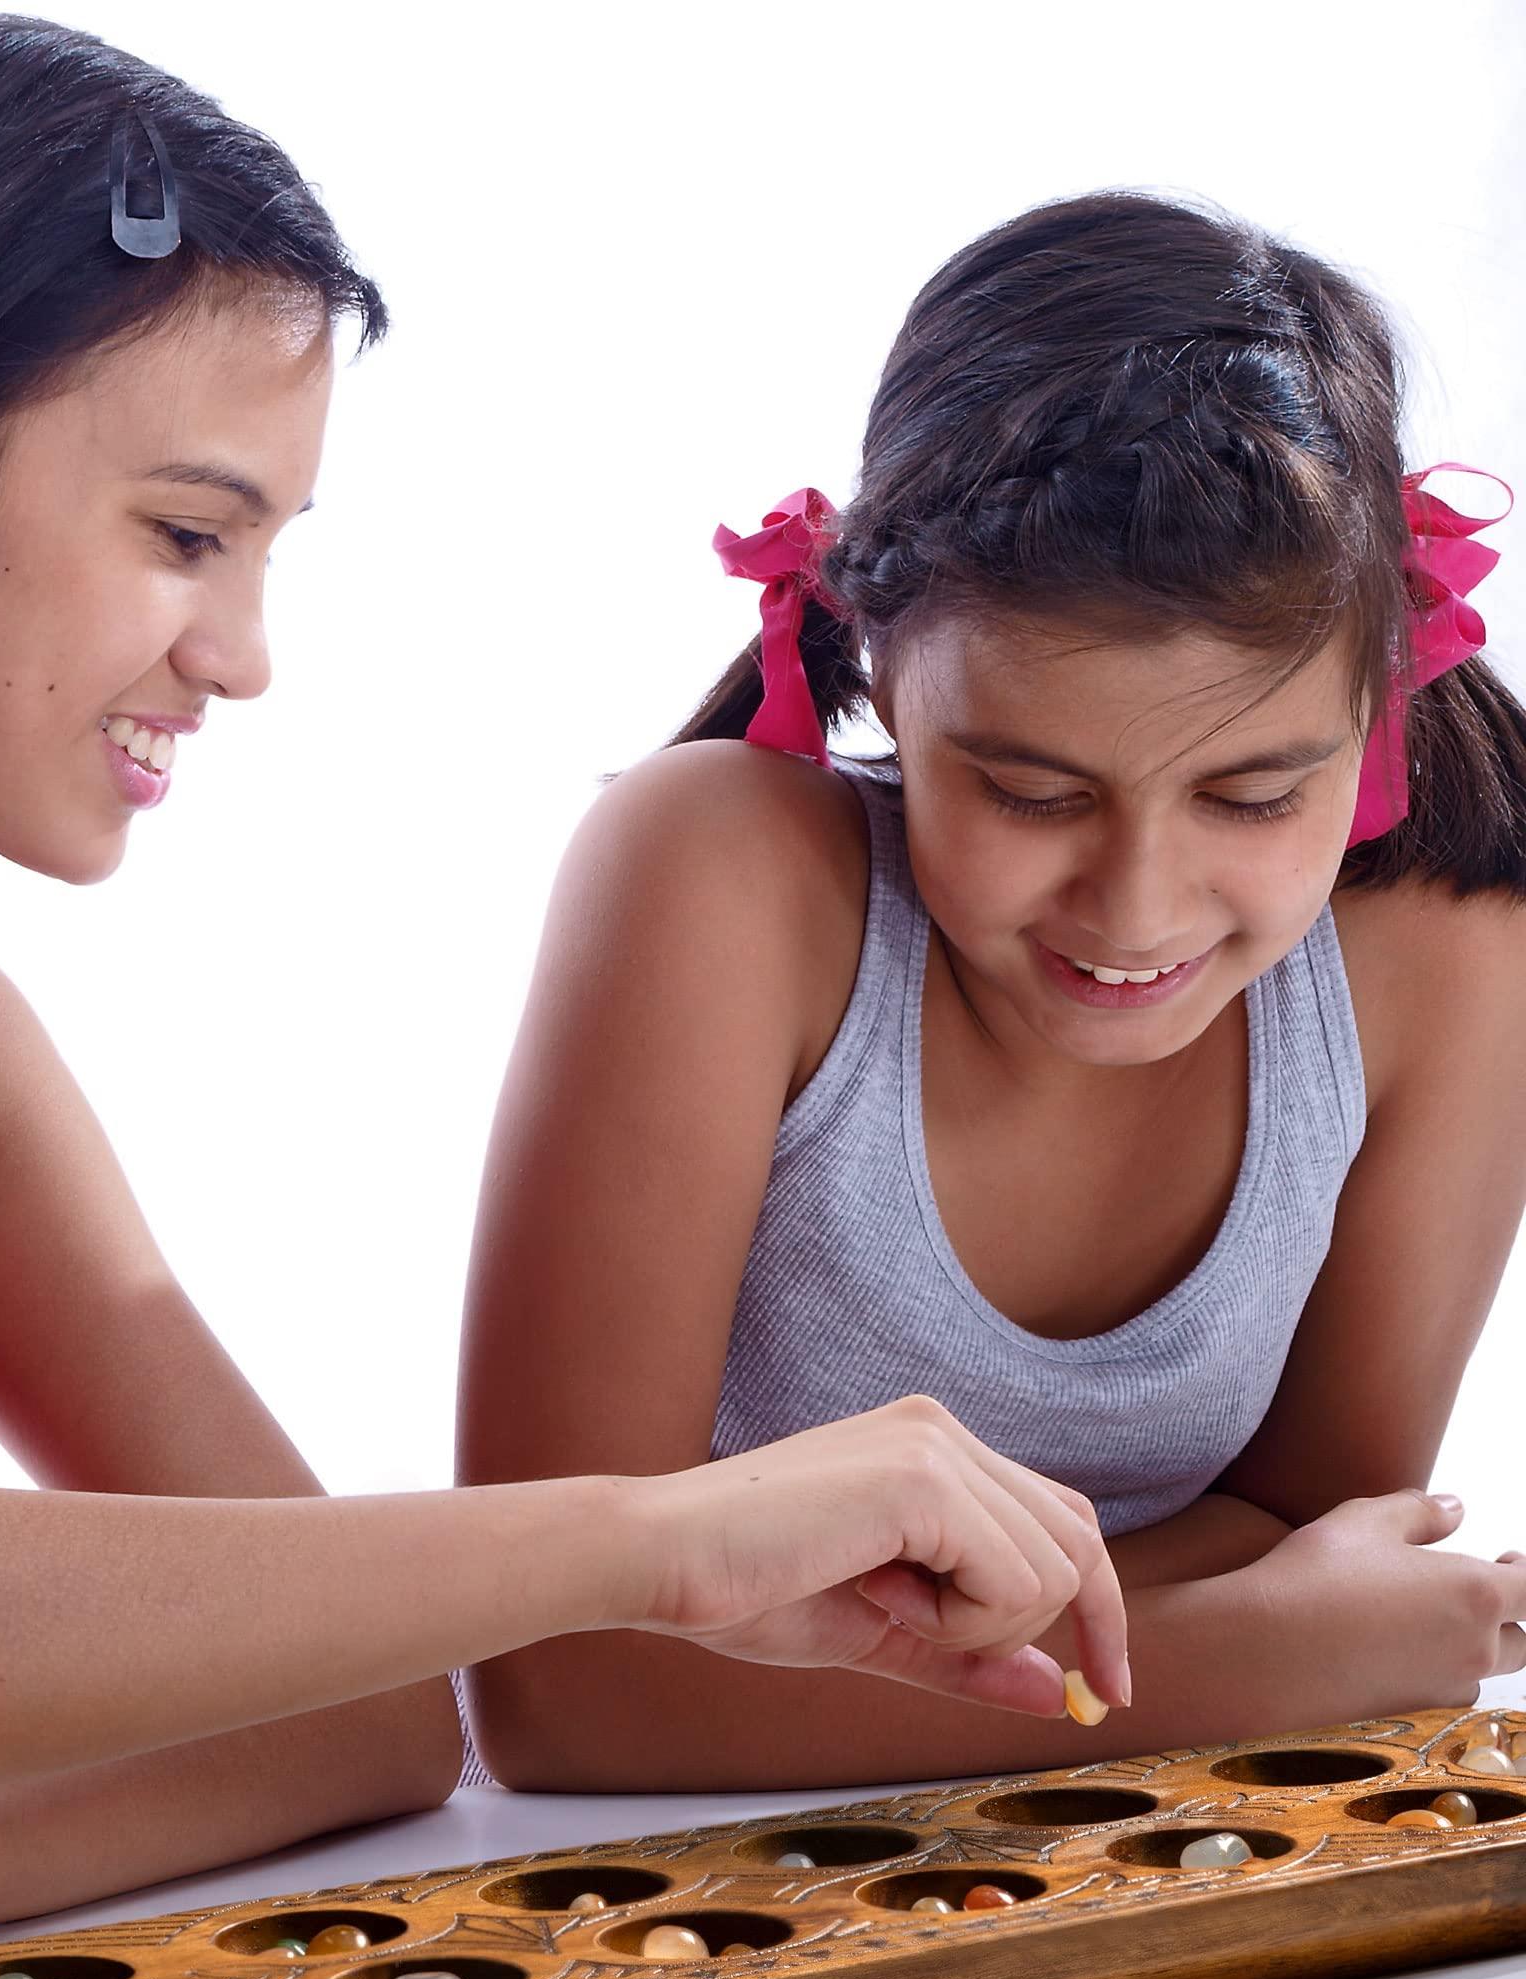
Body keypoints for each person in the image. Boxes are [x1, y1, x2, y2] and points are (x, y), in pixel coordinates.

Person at [0, 17, 1127, 1979]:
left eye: (266, 551)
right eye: (185, 531)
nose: (243, 657)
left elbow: (364, 1720)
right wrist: (657, 1539)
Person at [456, 190, 1526, 1792]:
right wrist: (1241, 1654)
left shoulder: (1454, 957)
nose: (1137, 908)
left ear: (1382, 699)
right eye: (1031, 793)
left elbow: (1330, 1541)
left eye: (1251, 799)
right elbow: (559, 1688)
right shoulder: (722, 878)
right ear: (879, 665)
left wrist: (800, 1644)